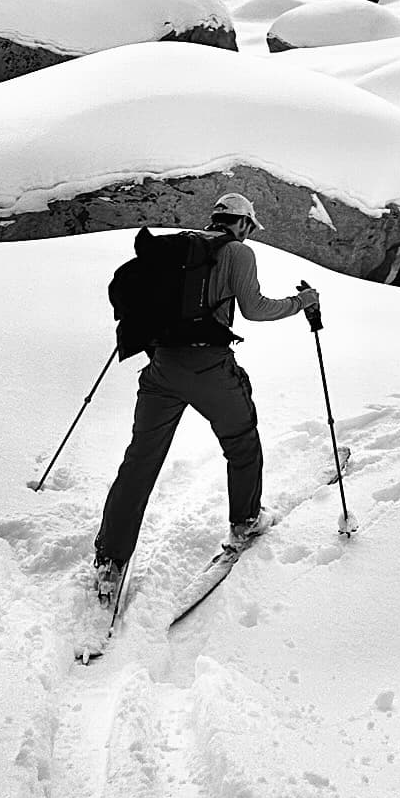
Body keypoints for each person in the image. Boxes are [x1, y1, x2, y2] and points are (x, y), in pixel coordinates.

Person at [93, 193, 318, 604]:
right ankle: (246, 521)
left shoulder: (178, 246)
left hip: (161, 366)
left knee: (140, 460)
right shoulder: (237, 253)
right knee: (242, 441)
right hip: (208, 366)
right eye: (251, 228)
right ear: (244, 224)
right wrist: (302, 301)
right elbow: (256, 309)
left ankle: (109, 557)